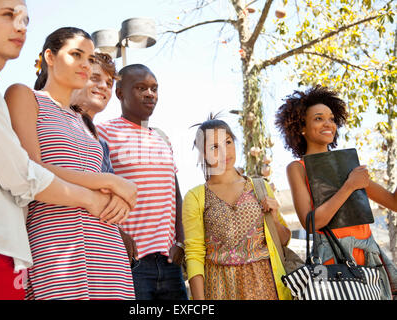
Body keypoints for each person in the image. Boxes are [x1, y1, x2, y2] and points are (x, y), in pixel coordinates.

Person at [0, 0, 116, 300]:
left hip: (4, 253)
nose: (20, 26)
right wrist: (95, 195)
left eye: (24, 19)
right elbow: (21, 174)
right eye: (8, 15)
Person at [4, 27, 137, 300]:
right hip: (55, 247)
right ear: (50, 57)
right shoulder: (24, 96)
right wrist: (110, 181)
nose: (85, 65)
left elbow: (113, 193)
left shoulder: (85, 123)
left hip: (107, 247)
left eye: (89, 58)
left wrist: (122, 195)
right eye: (77, 54)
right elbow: (30, 170)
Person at [275, 85, 397, 299]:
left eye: (331, 118)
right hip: (333, 263)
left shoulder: (349, 165)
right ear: (301, 127)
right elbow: (310, 223)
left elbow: (394, 203)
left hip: (370, 261)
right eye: (319, 118)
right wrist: (349, 186)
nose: (328, 124)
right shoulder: (298, 168)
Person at [96, 64, 188, 300]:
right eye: (141, 88)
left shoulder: (161, 138)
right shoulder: (102, 133)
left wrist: (181, 241)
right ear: (120, 93)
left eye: (154, 88)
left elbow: (174, 193)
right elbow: (96, 190)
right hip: (130, 262)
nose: (150, 94)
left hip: (170, 261)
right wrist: (117, 235)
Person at [182, 114, 292, 300]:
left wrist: (273, 217)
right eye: (214, 147)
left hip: (266, 286)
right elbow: (194, 254)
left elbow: (284, 240)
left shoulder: (260, 187)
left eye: (228, 142)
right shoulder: (195, 197)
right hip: (219, 289)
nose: (224, 152)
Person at [70, 53, 138, 259]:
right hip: (69, 242)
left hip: (101, 245)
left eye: (109, 83)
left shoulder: (102, 144)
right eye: (95, 78)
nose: (104, 87)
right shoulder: (59, 125)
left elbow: (112, 197)